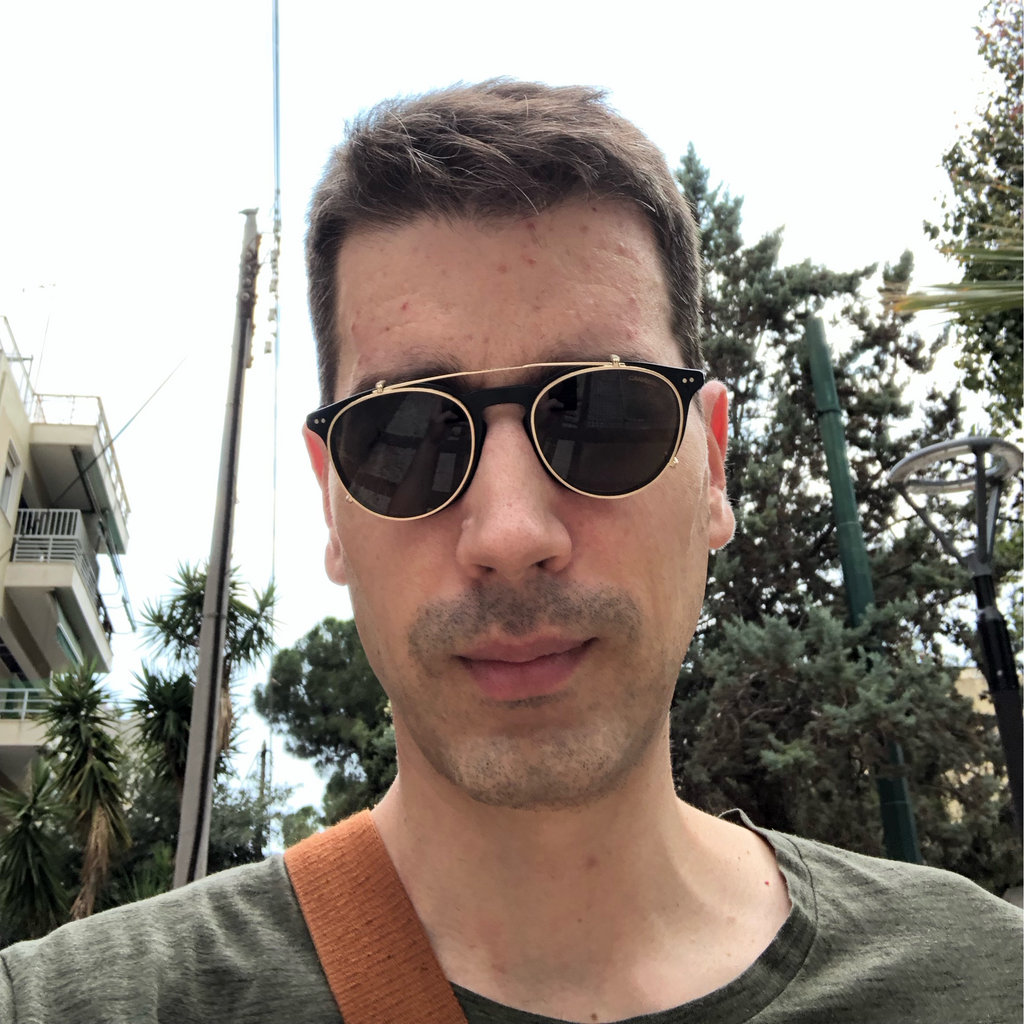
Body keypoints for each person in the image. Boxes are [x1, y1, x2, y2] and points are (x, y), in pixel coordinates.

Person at [1, 79, 1020, 1024]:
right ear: (332, 501)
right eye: (406, 435)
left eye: (602, 413)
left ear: (712, 465)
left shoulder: (984, 980)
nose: (510, 535)